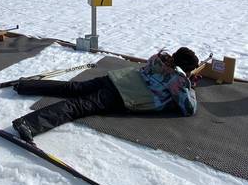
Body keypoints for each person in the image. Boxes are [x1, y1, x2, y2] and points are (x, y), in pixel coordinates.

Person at [12, 48, 199, 144]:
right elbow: (188, 108)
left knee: (73, 87)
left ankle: (25, 85)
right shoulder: (177, 80)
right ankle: (29, 124)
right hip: (123, 95)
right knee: (77, 106)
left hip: (115, 79)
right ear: (185, 68)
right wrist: (189, 85)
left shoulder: (157, 58)